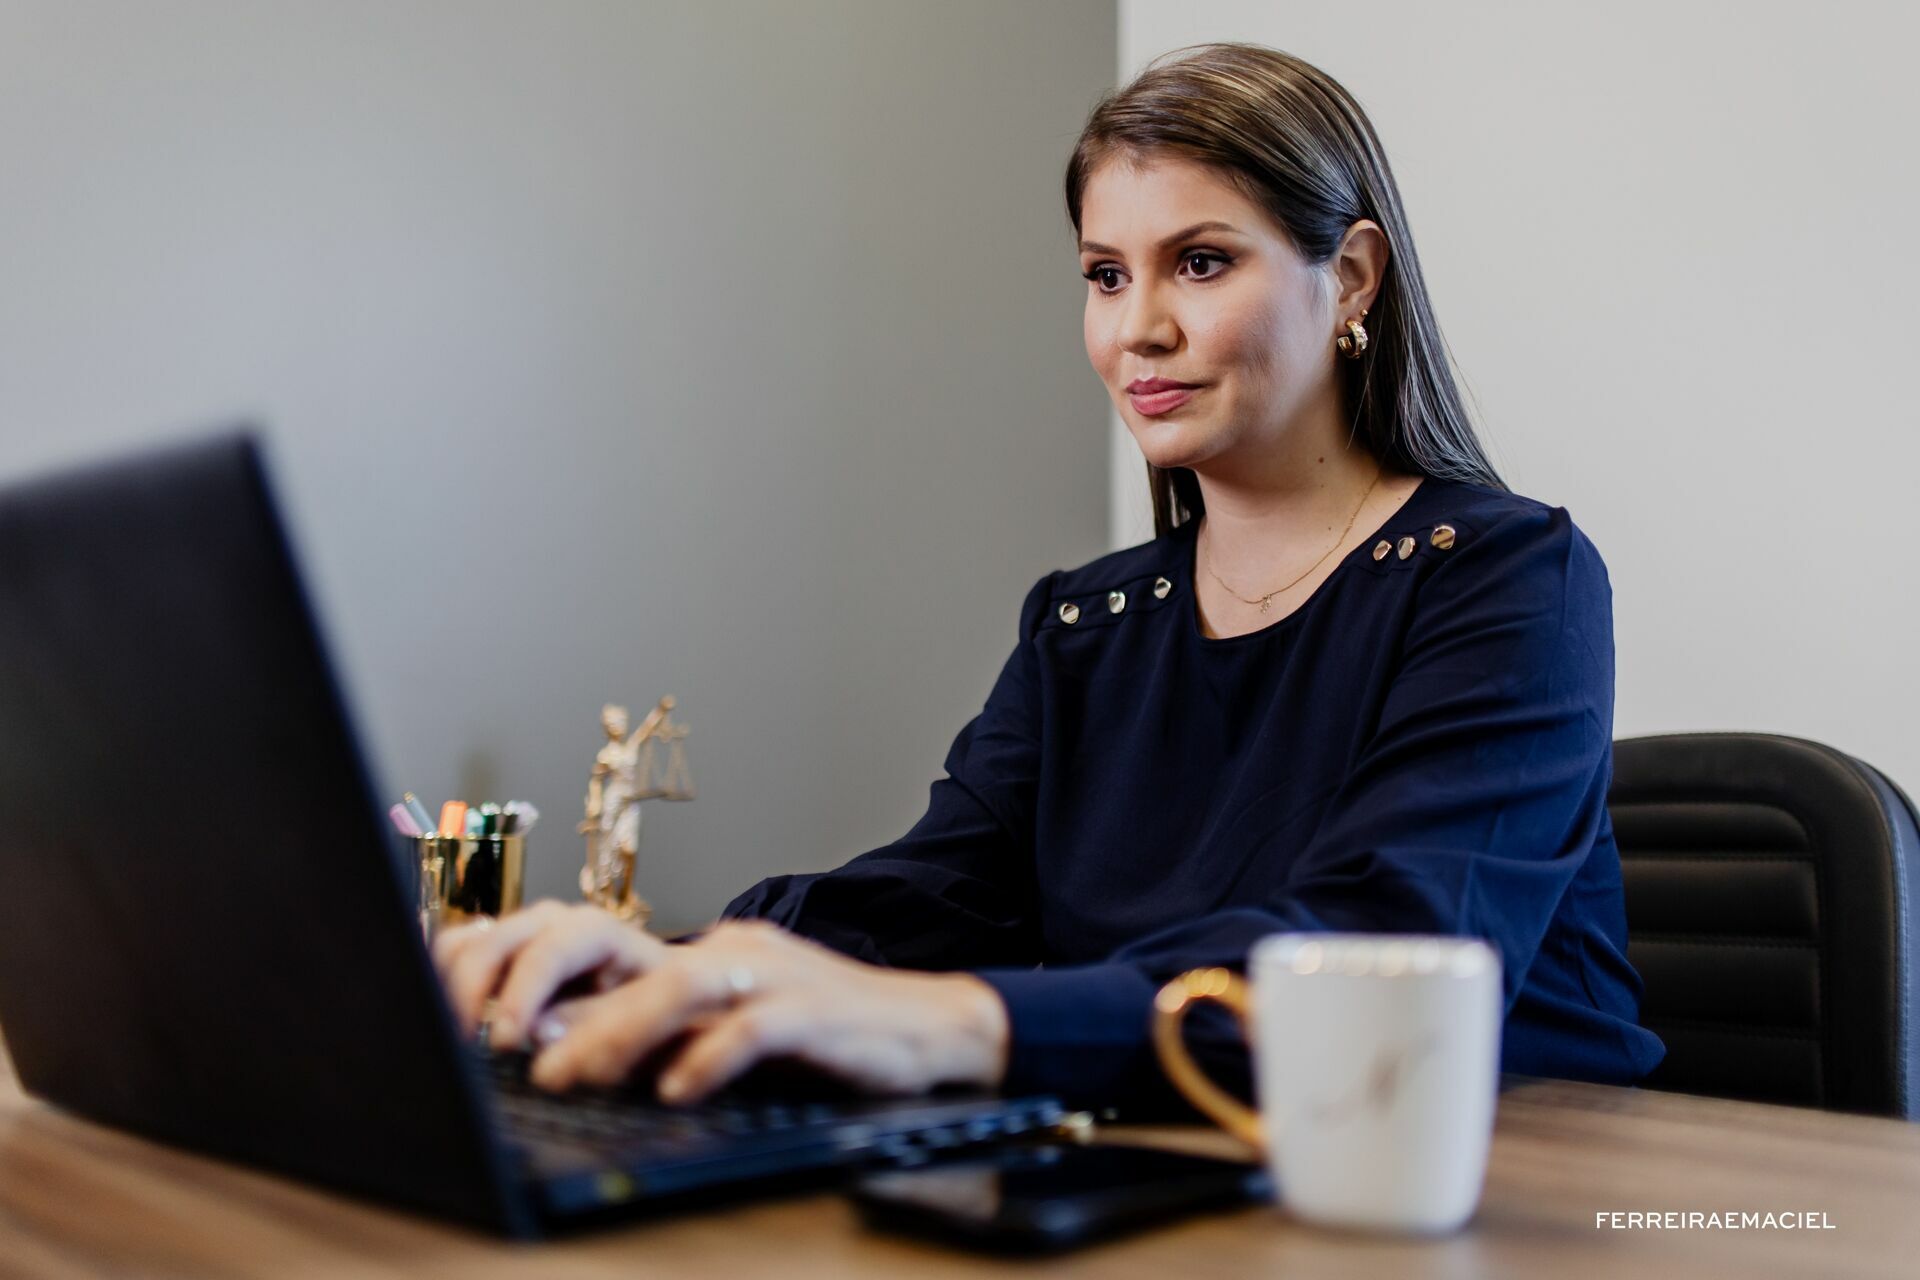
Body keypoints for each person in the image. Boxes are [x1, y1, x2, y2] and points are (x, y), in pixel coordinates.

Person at [432, 41, 1665, 1114]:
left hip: (1494, 1183)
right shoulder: (1089, 622)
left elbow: (1384, 958)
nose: (1137, 329)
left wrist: (954, 1026)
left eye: (1200, 262)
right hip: (1191, 1160)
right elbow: (928, 895)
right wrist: (670, 967)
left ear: (1348, 277)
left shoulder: (1507, 580)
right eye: (1105, 274)